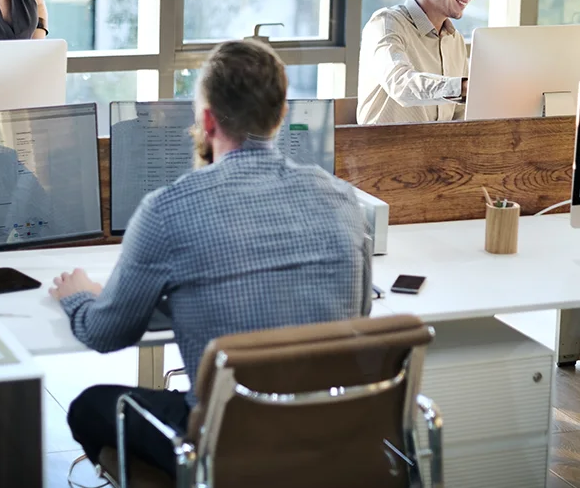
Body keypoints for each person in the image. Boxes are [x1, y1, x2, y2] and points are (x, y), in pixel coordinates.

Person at [51, 39, 371, 478]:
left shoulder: (167, 210)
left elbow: (106, 334)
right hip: (327, 435)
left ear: (206, 119)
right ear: (280, 116)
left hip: (225, 445)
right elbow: (360, 311)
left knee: (89, 406)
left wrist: (79, 296)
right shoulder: (341, 198)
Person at [357, 0, 492, 125]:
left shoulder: (454, 40)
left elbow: (460, 116)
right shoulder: (386, 24)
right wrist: (463, 87)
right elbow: (401, 84)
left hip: (438, 154)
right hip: (385, 153)